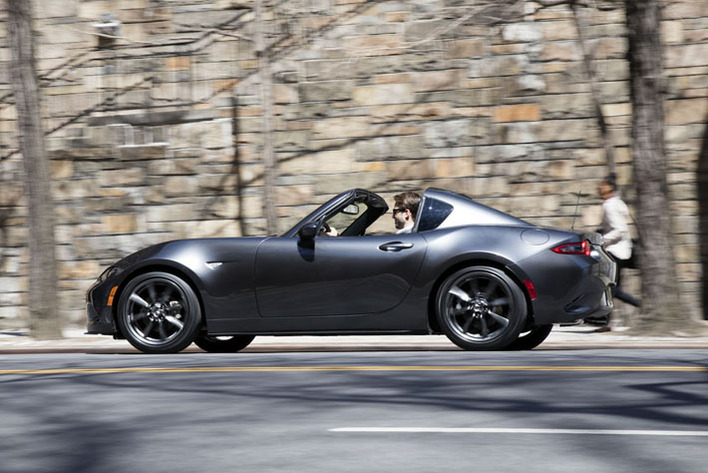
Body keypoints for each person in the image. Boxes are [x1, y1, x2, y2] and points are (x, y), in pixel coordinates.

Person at [595, 175, 641, 331]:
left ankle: (639, 305)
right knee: (610, 287)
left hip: (614, 251)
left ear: (610, 187)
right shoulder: (616, 203)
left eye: (603, 185)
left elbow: (620, 229)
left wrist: (602, 240)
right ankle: (606, 322)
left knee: (610, 288)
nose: (599, 188)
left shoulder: (610, 206)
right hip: (622, 250)